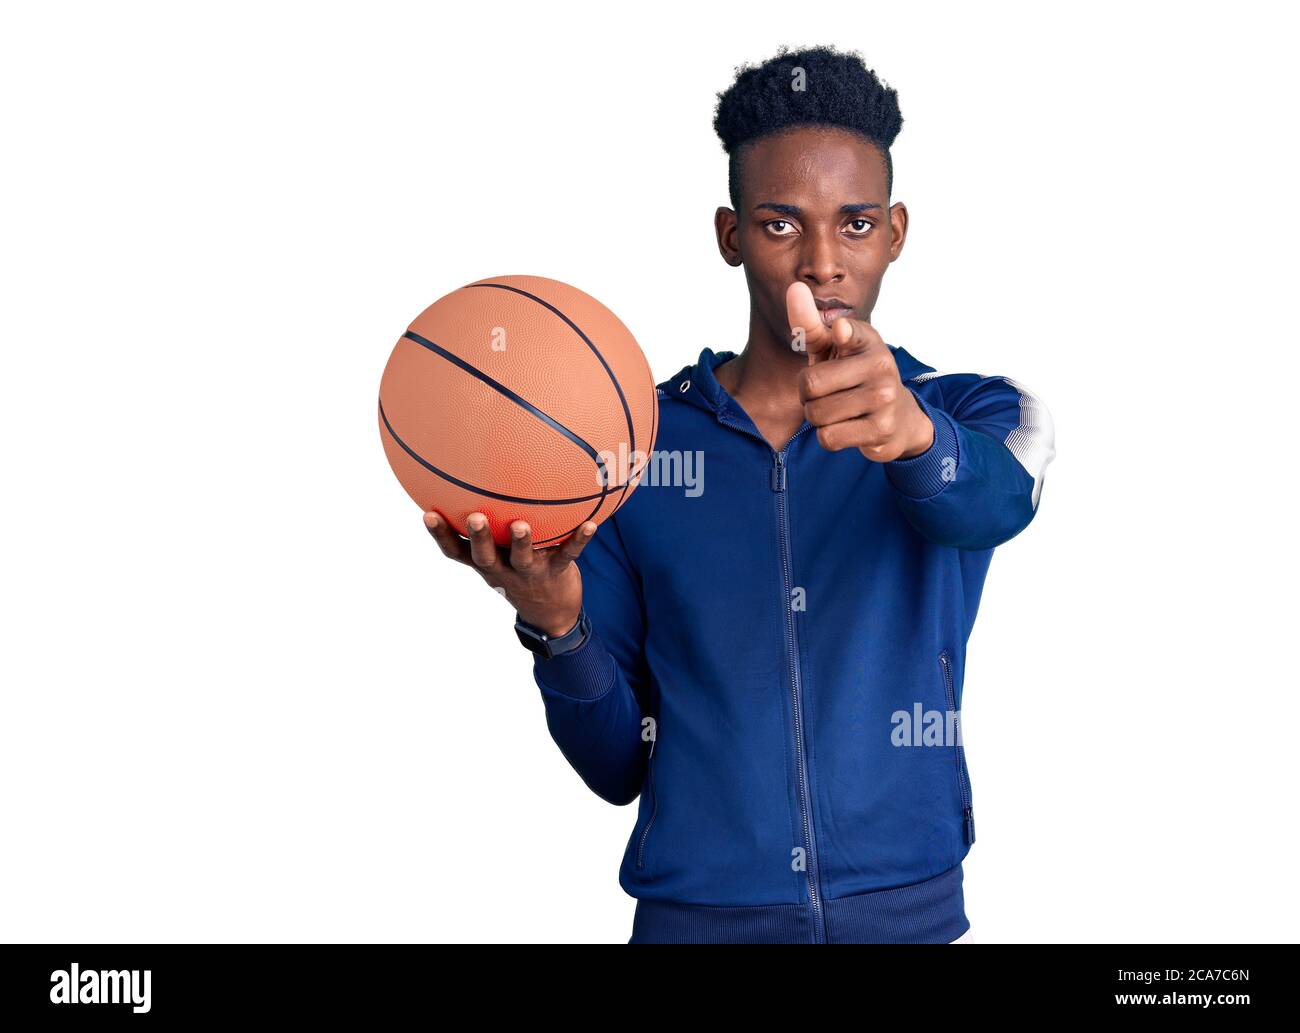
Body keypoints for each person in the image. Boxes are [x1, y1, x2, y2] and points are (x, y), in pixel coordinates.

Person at [423, 44, 1055, 943]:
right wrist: (555, 627)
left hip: (906, 918)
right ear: (731, 236)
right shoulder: (628, 447)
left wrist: (913, 437)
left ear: (899, 230)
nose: (824, 262)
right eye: (782, 224)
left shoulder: (965, 410)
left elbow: (999, 500)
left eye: (858, 223)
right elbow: (618, 763)